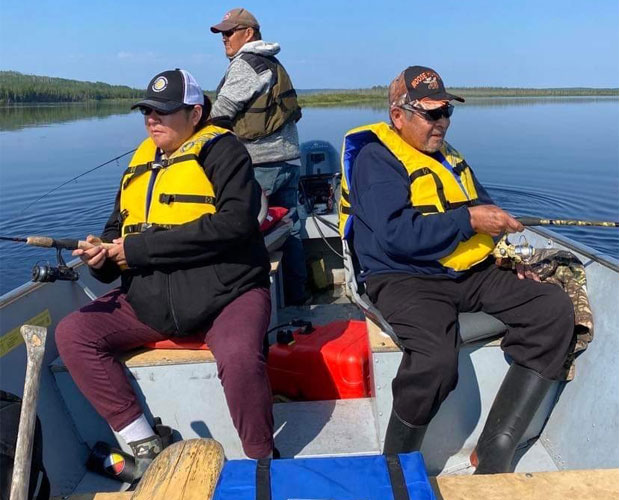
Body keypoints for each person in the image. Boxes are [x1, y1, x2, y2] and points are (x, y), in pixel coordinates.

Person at [339, 66, 574, 474]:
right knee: (434, 360)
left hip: (467, 271)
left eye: (447, 111)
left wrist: (506, 255)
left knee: (551, 307)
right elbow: (397, 235)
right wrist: (469, 222)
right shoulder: (376, 161)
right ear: (399, 115)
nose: (442, 122)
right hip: (403, 276)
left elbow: (483, 208)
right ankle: (396, 463)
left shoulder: (450, 157)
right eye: (432, 114)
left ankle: (496, 446)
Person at [55, 69, 275, 480]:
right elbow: (114, 234)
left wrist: (137, 250)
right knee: (74, 334)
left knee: (241, 356)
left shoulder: (224, 152)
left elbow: (236, 224)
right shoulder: (140, 164)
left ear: (194, 113)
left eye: (163, 111)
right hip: (150, 302)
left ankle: (262, 461)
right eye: (147, 111)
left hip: (227, 295)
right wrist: (101, 258)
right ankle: (143, 443)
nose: (152, 119)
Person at [210, 7, 307, 305]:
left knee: (246, 232)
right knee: (289, 229)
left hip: (261, 165)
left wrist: (190, 131)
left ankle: (253, 304)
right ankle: (296, 300)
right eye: (222, 34)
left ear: (248, 33)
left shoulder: (246, 64)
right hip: (288, 162)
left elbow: (221, 112)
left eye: (229, 32)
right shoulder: (271, 62)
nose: (224, 39)